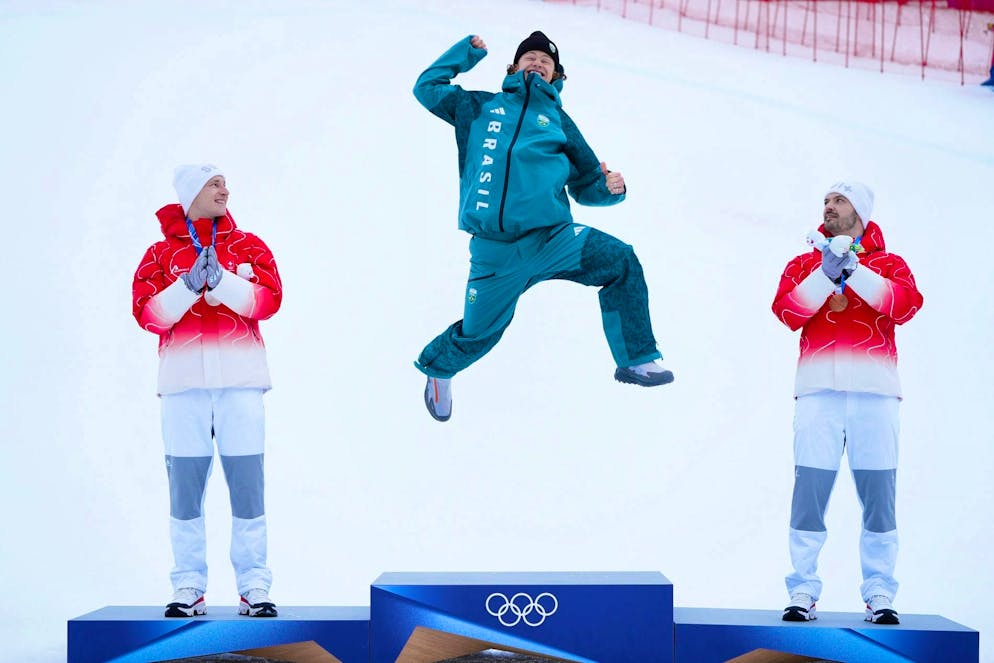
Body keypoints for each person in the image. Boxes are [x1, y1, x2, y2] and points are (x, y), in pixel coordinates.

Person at [413, 31, 673, 422]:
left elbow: (587, 184)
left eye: (545, 61)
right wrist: (466, 54)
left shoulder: (559, 124)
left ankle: (637, 359)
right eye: (529, 57)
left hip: (553, 239)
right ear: (514, 67)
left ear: (555, 76)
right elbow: (426, 88)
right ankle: (439, 370)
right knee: (478, 333)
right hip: (495, 250)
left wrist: (611, 188)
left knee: (621, 260)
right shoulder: (476, 107)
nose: (537, 63)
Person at [132, 164, 282, 618]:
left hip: (241, 384)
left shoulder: (248, 246)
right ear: (191, 192)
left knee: (248, 489)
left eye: (225, 182)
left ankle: (254, 585)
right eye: (215, 183)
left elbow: (269, 300)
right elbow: (149, 315)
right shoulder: (159, 254)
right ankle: (188, 586)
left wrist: (225, 281)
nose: (225, 189)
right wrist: (187, 285)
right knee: (185, 491)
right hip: (183, 387)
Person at [772, 181, 923, 625]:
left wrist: (856, 269)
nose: (829, 207)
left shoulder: (890, 264)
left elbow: (904, 305)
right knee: (809, 496)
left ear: (860, 210)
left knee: (879, 497)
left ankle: (879, 590)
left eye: (839, 201)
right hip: (818, 392)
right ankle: (802, 588)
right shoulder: (804, 263)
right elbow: (787, 312)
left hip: (875, 394)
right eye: (825, 201)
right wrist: (825, 272)